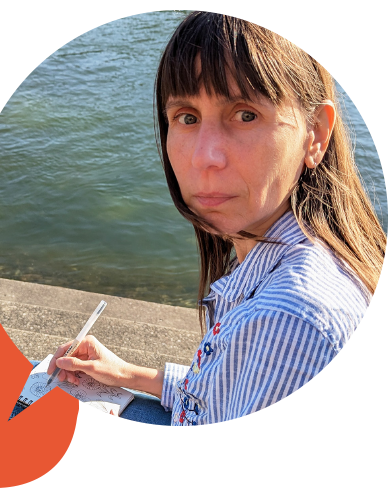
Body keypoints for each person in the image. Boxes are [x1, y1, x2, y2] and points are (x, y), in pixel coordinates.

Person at [46, 11, 387, 426]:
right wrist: (127, 374)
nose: (205, 157)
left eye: (245, 115)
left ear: (315, 134)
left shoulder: (293, 318)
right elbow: (225, 394)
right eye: (187, 117)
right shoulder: (287, 262)